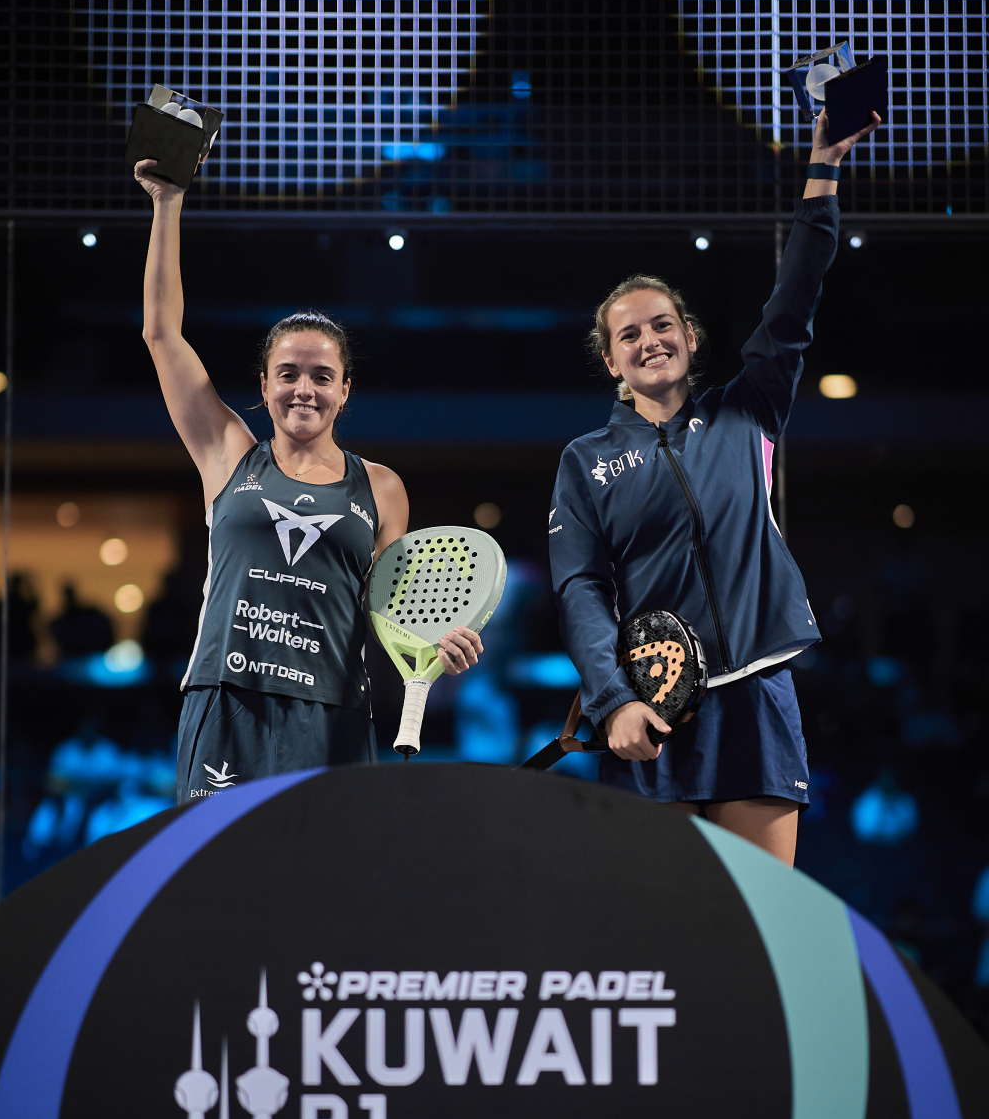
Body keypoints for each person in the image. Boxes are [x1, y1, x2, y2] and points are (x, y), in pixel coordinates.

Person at [549, 109, 880, 866]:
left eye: (662, 325)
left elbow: (794, 299)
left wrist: (822, 169)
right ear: (610, 362)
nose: (649, 341)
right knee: (666, 935)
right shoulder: (585, 460)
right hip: (654, 704)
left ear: (690, 337)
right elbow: (579, 592)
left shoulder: (748, 409)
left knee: (760, 926)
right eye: (627, 335)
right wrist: (613, 699)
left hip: (758, 691)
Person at [134, 158, 483, 802]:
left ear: (345, 392)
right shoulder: (228, 454)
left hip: (331, 717)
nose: (304, 388)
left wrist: (441, 639)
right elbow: (161, 333)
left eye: (322, 377)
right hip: (226, 705)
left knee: (321, 897)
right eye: (288, 373)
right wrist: (167, 202)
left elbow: (394, 612)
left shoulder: (381, 487)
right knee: (215, 888)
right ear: (263, 385)